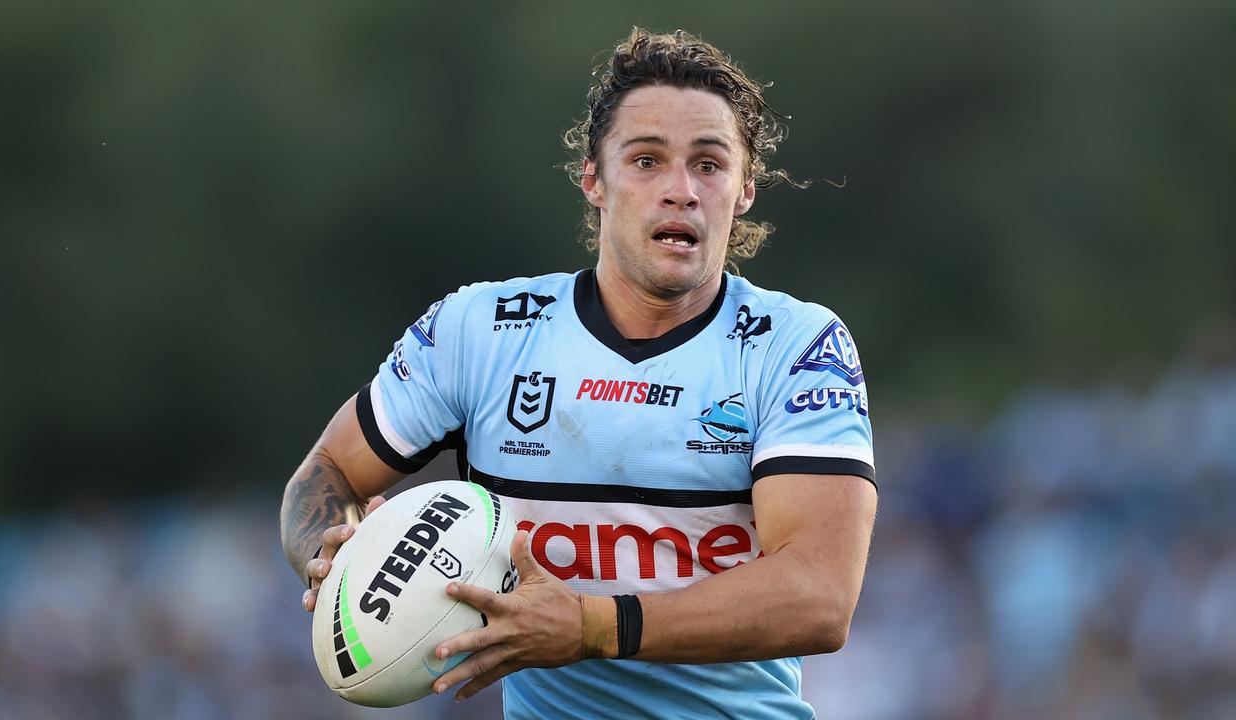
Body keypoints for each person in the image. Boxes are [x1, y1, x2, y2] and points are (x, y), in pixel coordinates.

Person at [280, 27, 877, 719]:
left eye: (709, 165)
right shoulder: (480, 331)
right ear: (594, 178)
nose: (681, 190)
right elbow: (328, 470)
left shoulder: (794, 346)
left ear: (744, 189)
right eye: (647, 160)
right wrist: (326, 554)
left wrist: (593, 627)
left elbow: (820, 597)